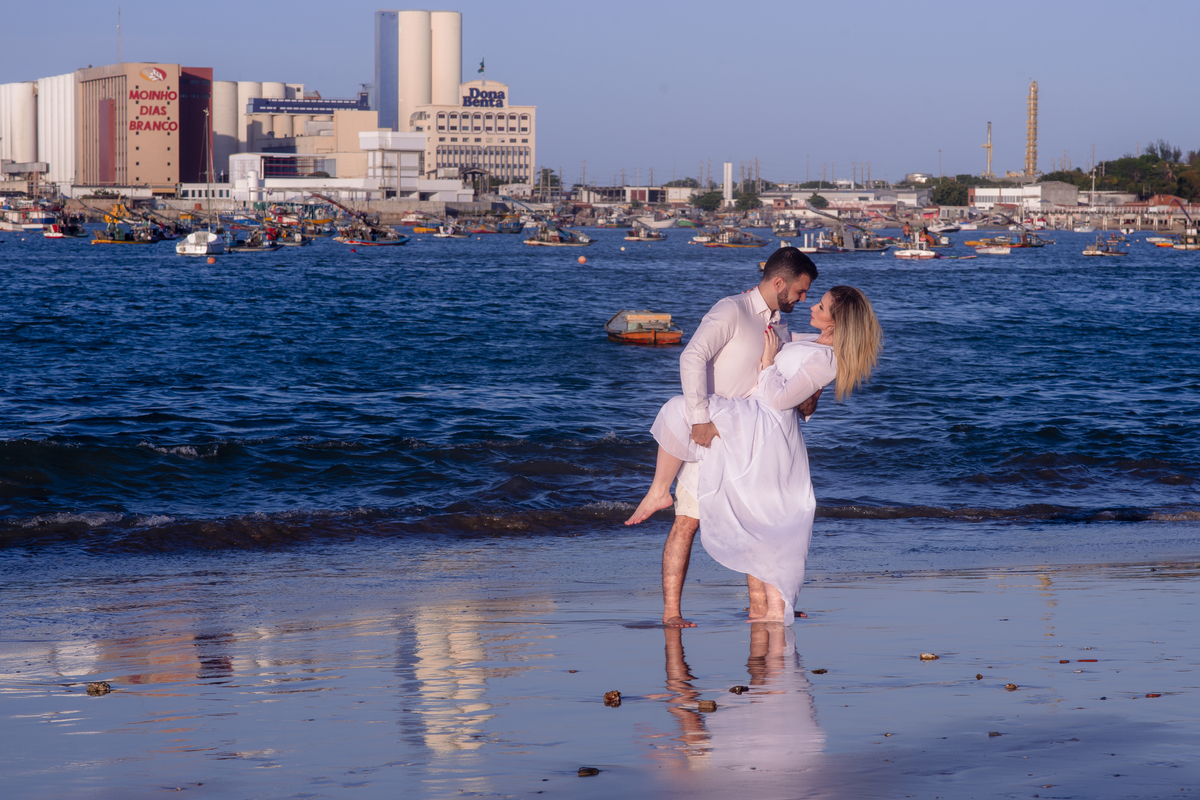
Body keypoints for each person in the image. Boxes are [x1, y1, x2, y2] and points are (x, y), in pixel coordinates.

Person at [630, 285, 883, 624]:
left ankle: (659, 492)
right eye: (808, 296)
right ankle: (759, 608)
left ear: (836, 321)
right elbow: (784, 356)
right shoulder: (807, 339)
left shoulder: (828, 357)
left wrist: (767, 363)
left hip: (763, 424)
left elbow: (783, 399)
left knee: (680, 409)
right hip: (754, 418)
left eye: (820, 306)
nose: (810, 305)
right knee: (684, 418)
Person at [625, 247, 819, 628]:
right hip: (712, 435)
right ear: (779, 282)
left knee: (759, 523)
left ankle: (760, 608)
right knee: (688, 520)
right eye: (800, 291)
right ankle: (671, 614)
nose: (803, 298)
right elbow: (692, 357)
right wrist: (698, 419)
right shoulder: (731, 310)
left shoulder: (779, 325)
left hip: (754, 443)